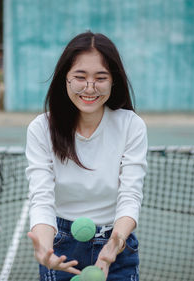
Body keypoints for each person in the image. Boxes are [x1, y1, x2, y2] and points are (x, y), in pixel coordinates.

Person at [25, 31, 147, 281]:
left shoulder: (131, 125)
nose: (90, 87)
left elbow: (130, 194)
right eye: (80, 77)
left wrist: (116, 242)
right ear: (65, 79)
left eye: (100, 78)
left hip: (117, 246)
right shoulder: (40, 129)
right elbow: (41, 198)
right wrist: (46, 249)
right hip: (62, 247)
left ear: (113, 80)